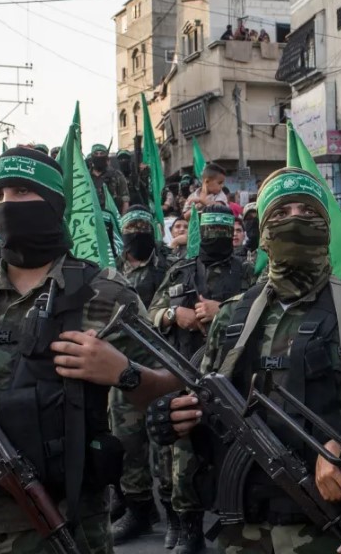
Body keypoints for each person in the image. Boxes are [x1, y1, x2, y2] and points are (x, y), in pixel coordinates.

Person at [0, 147, 181, 553]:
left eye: (23, 191)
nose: (7, 204)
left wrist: (123, 372)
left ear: (54, 202)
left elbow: (171, 389)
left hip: (61, 526)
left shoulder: (105, 292)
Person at [156, 167, 341, 552]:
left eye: (307, 212)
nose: (294, 220)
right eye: (280, 213)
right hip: (243, 530)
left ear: (327, 228)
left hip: (332, 528)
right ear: (263, 233)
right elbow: (207, 407)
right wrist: (174, 418)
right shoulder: (233, 317)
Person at [146, 204, 255, 554]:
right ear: (201, 231)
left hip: (232, 376)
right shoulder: (180, 271)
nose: (217, 236)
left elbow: (265, 309)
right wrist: (172, 314)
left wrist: (223, 311)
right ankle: (187, 526)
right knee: (181, 455)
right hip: (184, 370)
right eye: (211, 230)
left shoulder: (247, 272)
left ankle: (233, 522)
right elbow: (150, 313)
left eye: (224, 230)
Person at [109, 207, 171, 545]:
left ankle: (176, 513)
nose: (137, 231)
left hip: (163, 364)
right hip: (121, 364)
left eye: (143, 226)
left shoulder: (168, 266)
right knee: (127, 441)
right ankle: (138, 508)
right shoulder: (111, 268)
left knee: (166, 443)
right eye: (131, 226)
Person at [88, 144, 131, 215]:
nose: (99, 156)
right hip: (92, 216)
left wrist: (123, 218)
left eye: (102, 153)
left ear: (106, 156)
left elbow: (125, 200)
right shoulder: (86, 176)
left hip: (113, 216)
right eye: (96, 154)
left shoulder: (117, 175)